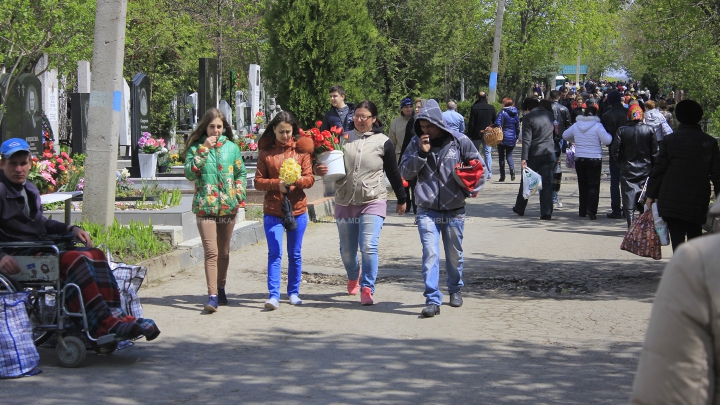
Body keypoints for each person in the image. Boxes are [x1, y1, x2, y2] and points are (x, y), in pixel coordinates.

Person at [0, 138, 160, 341]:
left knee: (95, 254)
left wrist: (71, 228)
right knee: (74, 260)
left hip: (39, 246)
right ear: (2, 164)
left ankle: (116, 316)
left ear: (30, 164)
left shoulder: (29, 189)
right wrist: (1, 256)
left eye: (23, 163)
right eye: (12, 164)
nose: (18, 169)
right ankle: (101, 325)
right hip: (18, 251)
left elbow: (39, 222)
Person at [316, 100, 407, 305]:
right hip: (345, 200)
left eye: (364, 116)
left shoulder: (383, 142)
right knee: (347, 252)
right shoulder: (343, 139)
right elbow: (326, 163)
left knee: (368, 245)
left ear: (373, 119)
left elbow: (393, 173)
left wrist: (402, 199)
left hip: (372, 200)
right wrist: (318, 169)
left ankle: (367, 287)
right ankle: (353, 274)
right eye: (356, 115)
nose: (359, 120)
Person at [399, 99, 484, 318]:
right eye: (422, 127)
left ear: (439, 123)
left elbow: (479, 168)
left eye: (430, 126)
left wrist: (468, 189)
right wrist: (422, 154)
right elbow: (404, 173)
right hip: (426, 208)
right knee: (430, 253)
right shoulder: (415, 144)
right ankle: (432, 299)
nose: (426, 131)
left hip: (454, 208)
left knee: (454, 254)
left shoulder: (460, 141)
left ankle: (455, 288)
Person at [629, 228, 720, 404]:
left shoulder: (701, 262)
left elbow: (673, 390)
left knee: (680, 237)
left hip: (676, 212)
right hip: (694, 211)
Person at [184, 108, 247, 313]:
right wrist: (203, 149)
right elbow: (190, 174)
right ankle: (211, 296)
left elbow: (241, 173)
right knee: (211, 252)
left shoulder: (232, 148)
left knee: (224, 252)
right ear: (205, 127)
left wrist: (238, 195)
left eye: (219, 126)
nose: (216, 130)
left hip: (228, 207)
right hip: (205, 207)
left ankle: (221, 288)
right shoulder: (196, 147)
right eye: (212, 127)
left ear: (224, 127)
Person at [254, 111, 315, 309]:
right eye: (281, 132)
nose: (285, 136)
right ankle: (273, 295)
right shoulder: (266, 153)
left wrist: (295, 180)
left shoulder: (302, 152)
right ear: (273, 130)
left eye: (288, 132)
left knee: (295, 253)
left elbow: (310, 179)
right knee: (275, 252)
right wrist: (276, 184)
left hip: (298, 209)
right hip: (273, 210)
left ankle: (293, 292)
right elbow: (257, 182)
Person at [645, 100, 720, 250]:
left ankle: (680, 268)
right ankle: (694, 269)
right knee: (695, 234)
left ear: (678, 118)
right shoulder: (709, 142)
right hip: (697, 198)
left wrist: (650, 195)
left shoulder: (670, 140)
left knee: (677, 236)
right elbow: (717, 174)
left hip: (672, 197)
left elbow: (659, 169)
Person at [611, 105, 658, 228]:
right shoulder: (650, 130)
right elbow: (655, 152)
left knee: (627, 196)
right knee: (645, 197)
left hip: (627, 168)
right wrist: (654, 167)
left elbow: (615, 150)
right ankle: (644, 225)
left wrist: (620, 162)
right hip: (646, 168)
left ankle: (630, 226)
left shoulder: (622, 130)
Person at [562, 106, 613, 220]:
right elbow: (607, 140)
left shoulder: (576, 125)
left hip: (580, 157)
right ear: (595, 114)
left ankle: (582, 210)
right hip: (594, 157)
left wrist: (574, 140)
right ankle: (592, 210)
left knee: (582, 184)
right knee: (593, 185)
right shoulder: (597, 126)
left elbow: (565, 135)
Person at [512, 97, 557, 220]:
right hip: (549, 153)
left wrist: (524, 158)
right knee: (547, 184)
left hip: (534, 154)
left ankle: (520, 207)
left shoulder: (529, 117)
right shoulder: (549, 114)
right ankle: (546, 212)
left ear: (527, 108)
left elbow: (527, 140)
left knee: (526, 181)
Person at [601, 90, 628, 219]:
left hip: (614, 150)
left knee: (615, 180)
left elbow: (606, 135)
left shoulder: (607, 115)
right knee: (628, 181)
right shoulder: (628, 113)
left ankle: (616, 209)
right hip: (629, 149)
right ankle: (629, 208)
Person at [399, 98, 425, 215]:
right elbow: (406, 142)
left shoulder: (436, 123)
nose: (416, 109)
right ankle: (417, 213)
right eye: (417, 107)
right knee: (414, 186)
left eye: (419, 107)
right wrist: (402, 159)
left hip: (429, 159)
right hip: (414, 157)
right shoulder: (413, 121)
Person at [550, 90, 572, 209]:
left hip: (548, 138)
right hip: (561, 137)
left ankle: (549, 195)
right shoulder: (564, 109)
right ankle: (554, 197)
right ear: (559, 97)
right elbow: (569, 124)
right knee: (556, 166)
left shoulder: (547, 109)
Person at [467, 91, 496, 179]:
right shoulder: (491, 108)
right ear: (486, 97)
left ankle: (477, 171)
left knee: (475, 152)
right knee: (487, 152)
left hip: (476, 133)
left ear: (478, 98)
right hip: (488, 133)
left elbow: (471, 122)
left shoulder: (474, 107)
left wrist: (470, 134)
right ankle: (489, 172)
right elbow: (495, 121)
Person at [493, 97, 520, 182]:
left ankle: (502, 176)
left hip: (502, 136)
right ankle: (512, 170)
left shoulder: (502, 112)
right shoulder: (516, 114)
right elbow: (518, 126)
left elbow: (497, 123)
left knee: (501, 156)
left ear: (505, 104)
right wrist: (517, 136)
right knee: (509, 155)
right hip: (512, 137)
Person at [388, 98, 413, 162]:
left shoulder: (417, 120)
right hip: (400, 157)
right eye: (406, 107)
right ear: (402, 109)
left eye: (410, 106)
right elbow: (391, 142)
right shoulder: (396, 122)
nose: (409, 109)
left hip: (414, 156)